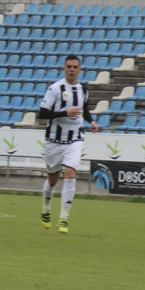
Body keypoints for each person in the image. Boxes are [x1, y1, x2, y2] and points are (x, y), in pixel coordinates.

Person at [37, 54, 98, 234]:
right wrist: (65, 113)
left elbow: (84, 109)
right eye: (69, 66)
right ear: (64, 69)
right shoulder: (55, 89)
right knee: (53, 179)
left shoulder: (84, 90)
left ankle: (63, 218)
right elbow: (42, 113)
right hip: (54, 141)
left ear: (79, 70)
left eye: (75, 67)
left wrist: (92, 122)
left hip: (75, 139)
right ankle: (46, 208)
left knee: (70, 174)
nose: (72, 70)